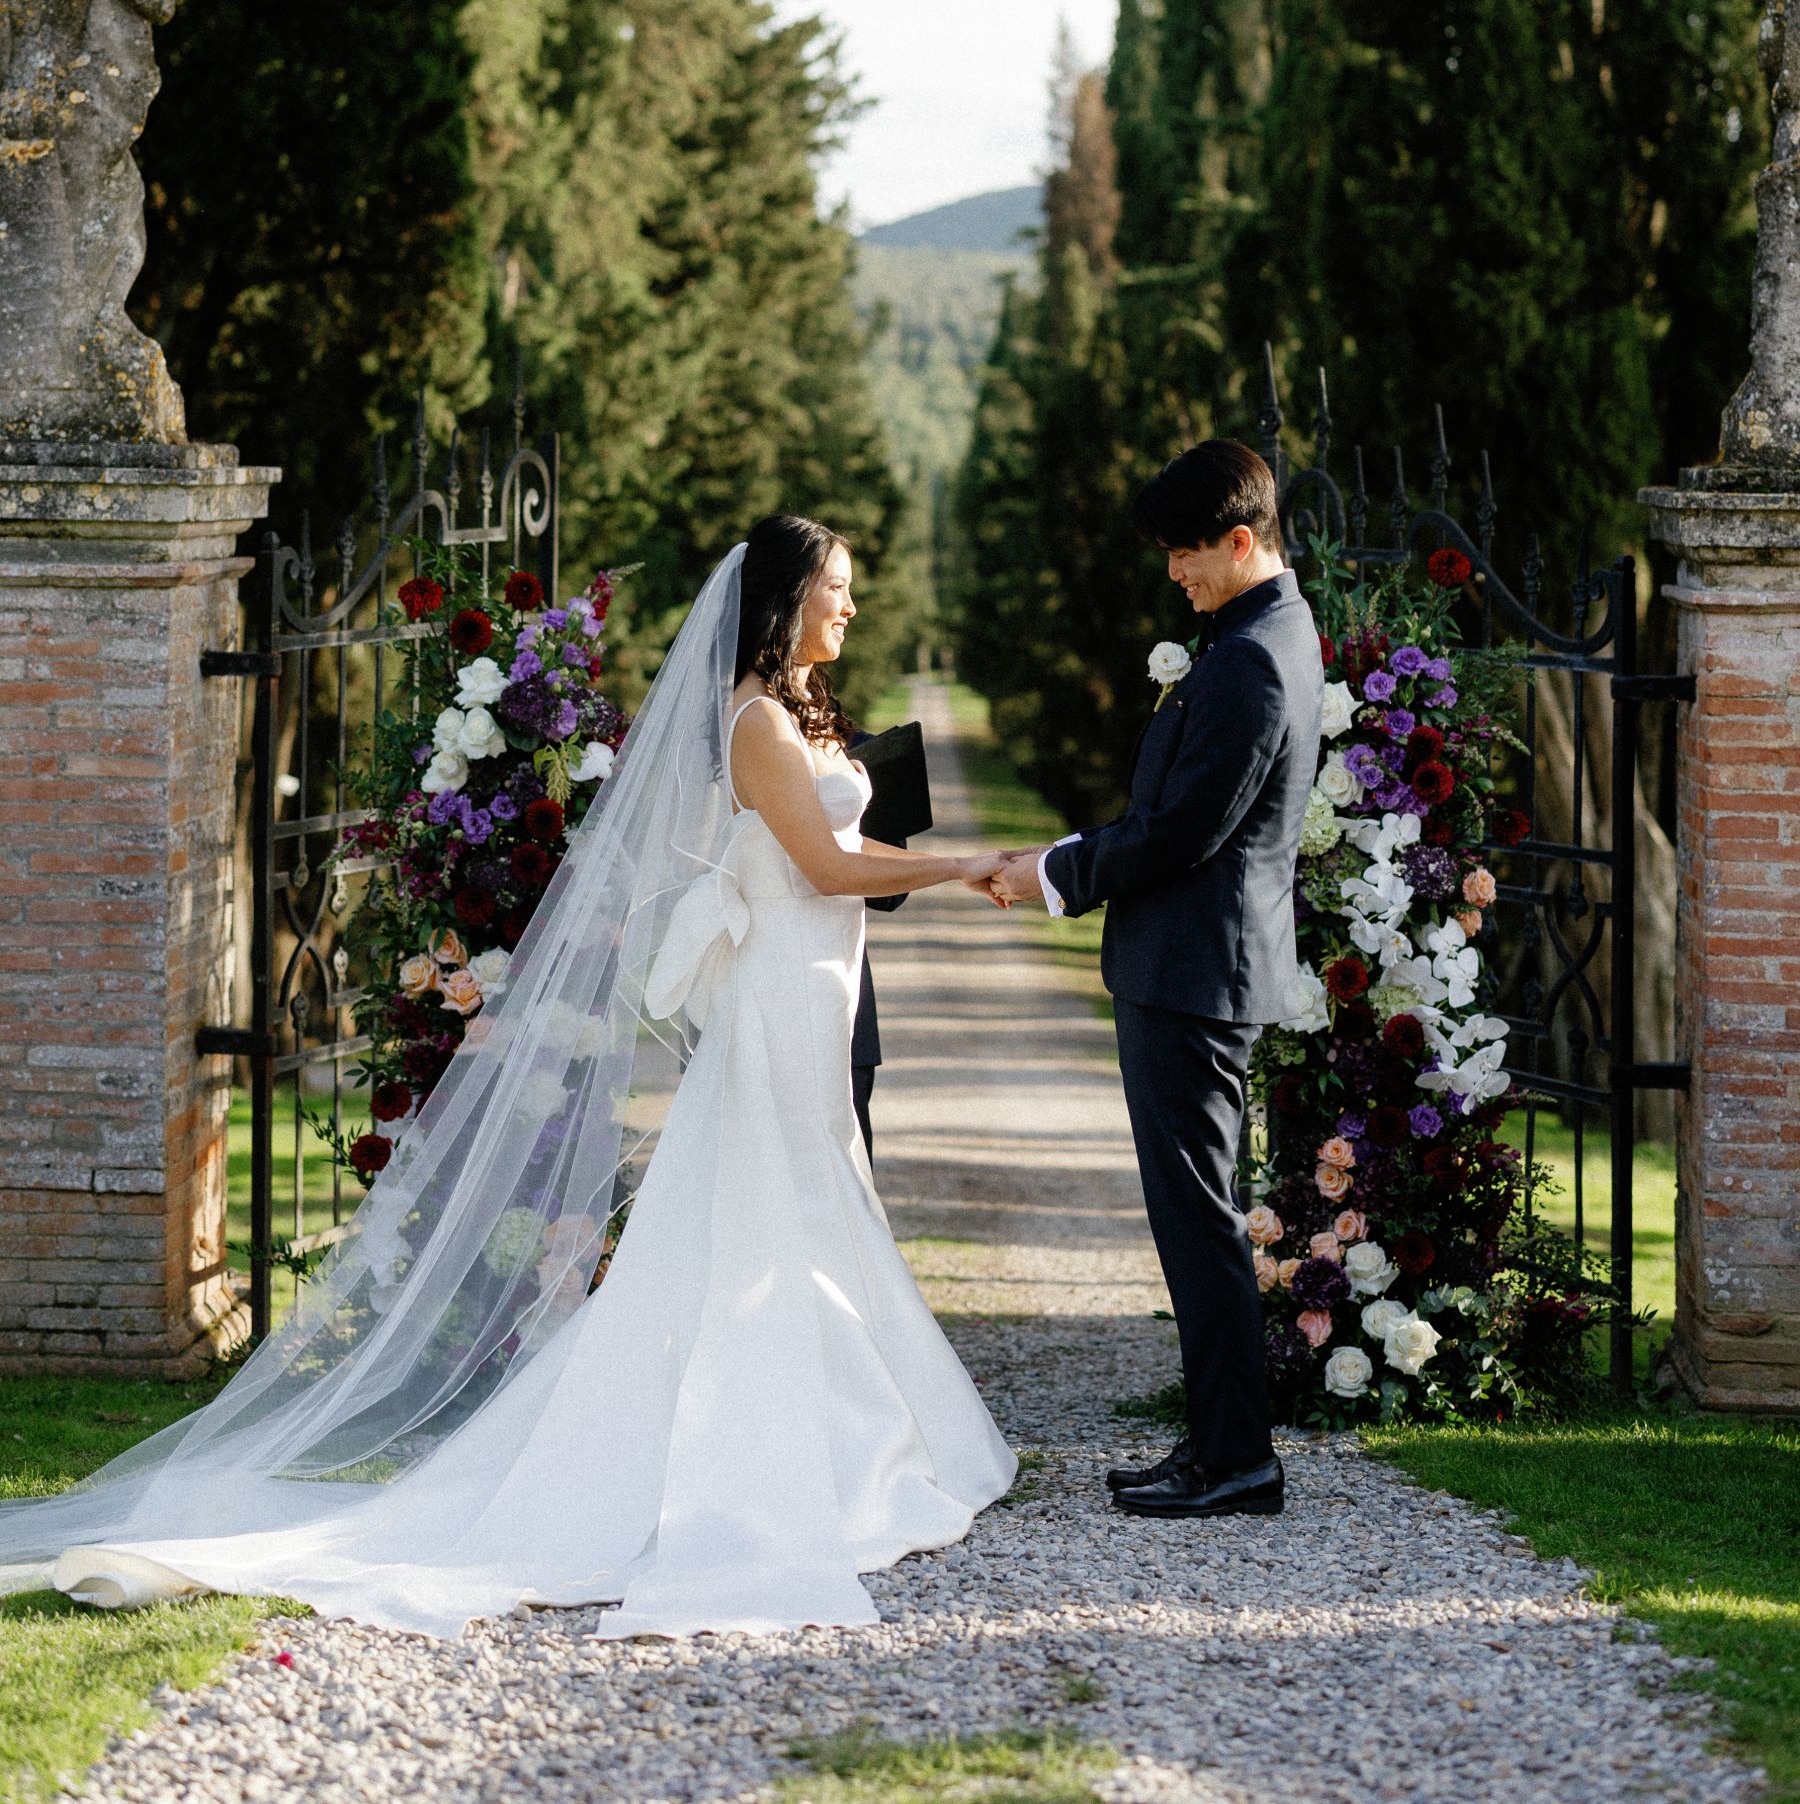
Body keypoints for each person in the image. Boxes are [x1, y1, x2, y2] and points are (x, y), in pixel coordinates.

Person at [0, 519, 1014, 1638]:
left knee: (808, 1197)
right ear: (784, 600)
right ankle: (782, 1439)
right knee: (766, 1206)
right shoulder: (756, 721)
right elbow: (826, 867)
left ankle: (839, 1419)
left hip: (817, 986)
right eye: (837, 589)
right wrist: (967, 863)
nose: (850, 609)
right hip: (779, 989)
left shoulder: (799, 712)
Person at [985, 442, 1322, 1520]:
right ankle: (1220, 1441)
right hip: (1191, 966)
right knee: (1195, 1215)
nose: (1173, 572)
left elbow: (1185, 830)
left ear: (1240, 540)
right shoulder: (1253, 635)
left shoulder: (1256, 656)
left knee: (1202, 1218)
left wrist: (1055, 870)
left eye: (1185, 552)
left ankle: (1238, 1459)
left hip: (1197, 972)